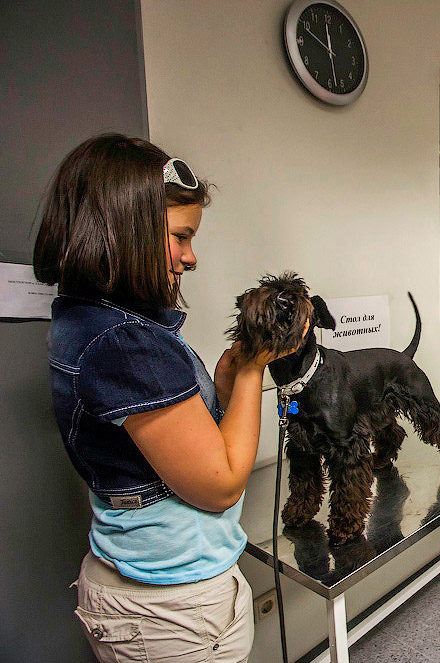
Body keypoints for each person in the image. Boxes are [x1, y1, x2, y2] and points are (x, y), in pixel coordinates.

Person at [33, 134, 298, 662]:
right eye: (180, 237)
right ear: (122, 230)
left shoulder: (94, 322)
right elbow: (219, 485)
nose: (190, 257)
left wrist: (222, 383)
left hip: (152, 586)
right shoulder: (125, 343)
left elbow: (183, 441)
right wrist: (252, 373)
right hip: (170, 610)